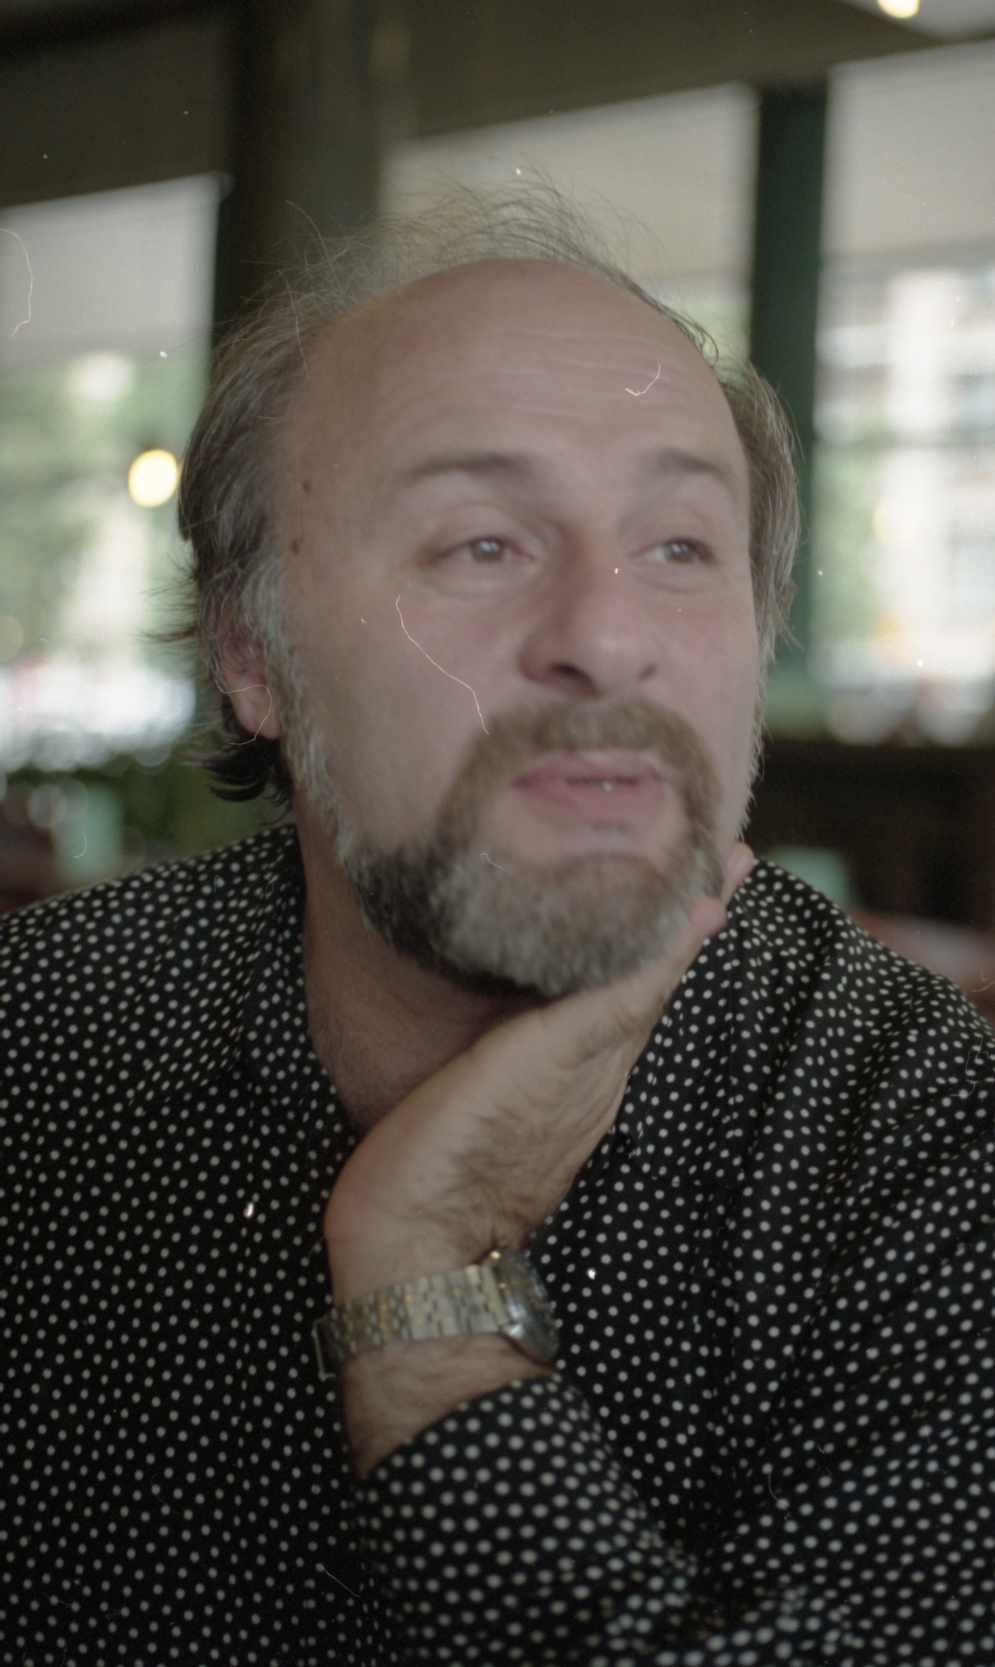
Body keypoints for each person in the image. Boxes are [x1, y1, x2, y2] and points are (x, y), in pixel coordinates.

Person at [3, 190, 994, 1667]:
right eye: (481, 543)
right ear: (252, 653)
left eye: (680, 546)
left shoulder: (923, 1136)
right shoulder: (42, 1041)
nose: (607, 634)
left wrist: (430, 1291)